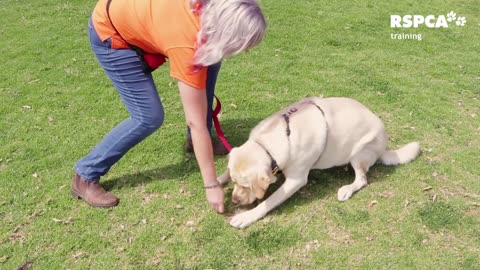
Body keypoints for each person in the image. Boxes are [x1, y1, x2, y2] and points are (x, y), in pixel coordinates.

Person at [70, 0, 266, 213]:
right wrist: (211, 185)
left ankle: (197, 142)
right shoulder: (187, 43)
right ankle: (86, 176)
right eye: (242, 45)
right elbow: (195, 120)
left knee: (212, 60)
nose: (244, 52)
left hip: (137, 17)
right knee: (148, 116)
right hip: (111, 35)